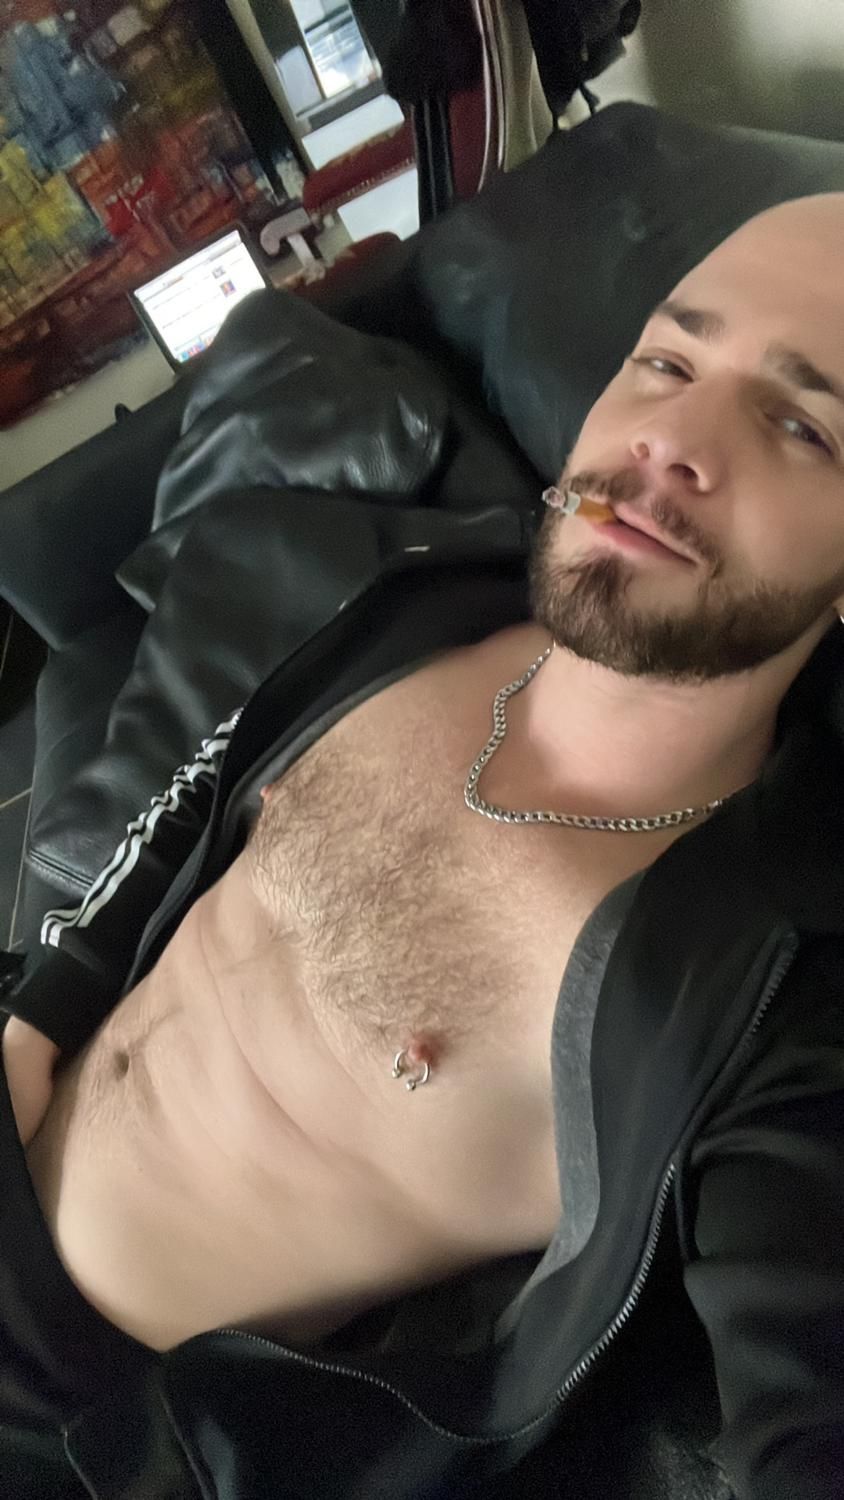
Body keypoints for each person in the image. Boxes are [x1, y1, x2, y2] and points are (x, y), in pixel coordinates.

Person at [2, 192, 844, 1500]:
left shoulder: (760, 976)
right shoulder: (435, 598)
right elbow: (205, 792)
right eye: (668, 361)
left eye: (801, 426)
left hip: (67, 1414)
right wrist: (40, 1014)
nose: (671, 440)